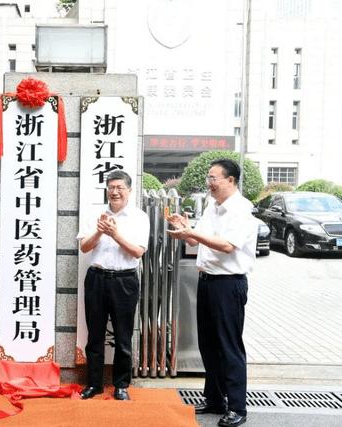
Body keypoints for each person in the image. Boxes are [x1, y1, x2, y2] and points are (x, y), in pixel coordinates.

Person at [167, 159, 256, 427]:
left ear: (231, 180)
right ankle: (215, 399)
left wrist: (192, 232)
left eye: (214, 177)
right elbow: (197, 241)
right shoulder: (212, 207)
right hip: (207, 281)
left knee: (229, 346)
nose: (210, 182)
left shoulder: (241, 210)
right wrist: (185, 229)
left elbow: (228, 246)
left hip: (229, 284)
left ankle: (237, 406)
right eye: (208, 177)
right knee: (208, 343)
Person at [77, 170, 149, 401]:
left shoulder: (139, 217)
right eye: (111, 187)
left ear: (129, 190)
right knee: (94, 335)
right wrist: (99, 230)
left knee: (123, 336)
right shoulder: (93, 214)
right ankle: (94, 384)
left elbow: (138, 252)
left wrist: (115, 234)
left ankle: (121, 385)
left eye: (120, 187)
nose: (115, 192)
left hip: (125, 280)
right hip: (96, 278)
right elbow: (84, 248)